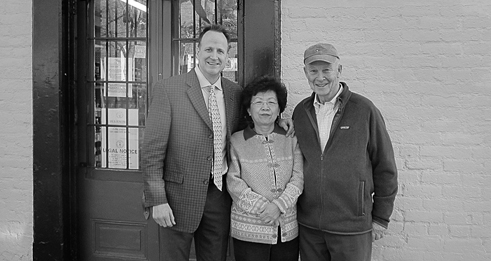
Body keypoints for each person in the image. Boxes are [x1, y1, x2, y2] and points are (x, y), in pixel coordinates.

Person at [141, 24, 293, 261]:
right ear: (198, 51)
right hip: (176, 198)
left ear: (228, 55)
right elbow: (152, 153)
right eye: (209, 49)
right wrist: (157, 200)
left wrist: (279, 123)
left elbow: (250, 125)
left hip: (219, 197)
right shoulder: (168, 90)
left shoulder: (235, 93)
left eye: (220, 51)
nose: (214, 56)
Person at [293, 43, 398, 261]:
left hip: (351, 226)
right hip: (310, 226)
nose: (320, 77)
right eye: (313, 71)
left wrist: (380, 217)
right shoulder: (300, 112)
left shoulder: (364, 110)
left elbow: (385, 166)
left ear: (339, 71)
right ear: (305, 73)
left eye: (326, 70)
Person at [227, 76, 303, 261]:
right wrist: (265, 208)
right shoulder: (236, 141)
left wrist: (278, 206)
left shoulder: (291, 138)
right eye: (258, 102)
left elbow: (299, 177)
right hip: (248, 230)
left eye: (271, 102)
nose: (265, 107)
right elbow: (233, 183)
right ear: (248, 109)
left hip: (286, 229)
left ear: (279, 110)